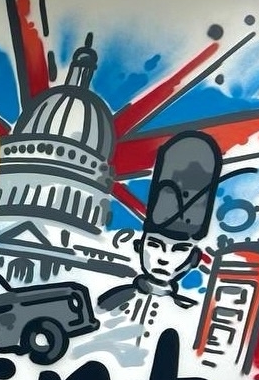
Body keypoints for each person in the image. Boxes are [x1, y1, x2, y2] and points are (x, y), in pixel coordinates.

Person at [95, 130, 222, 348]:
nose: (164, 258)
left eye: (179, 249)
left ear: (193, 258)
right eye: (155, 245)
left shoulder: (190, 316)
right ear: (139, 246)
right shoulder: (110, 302)